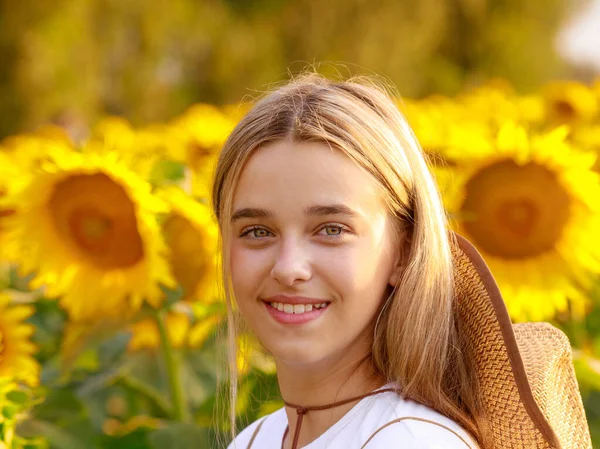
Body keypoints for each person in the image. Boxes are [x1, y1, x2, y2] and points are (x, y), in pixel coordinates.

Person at [211, 74, 591, 449]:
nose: (289, 268)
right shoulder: (257, 439)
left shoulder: (411, 441)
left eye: (331, 230)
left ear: (404, 253)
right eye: (257, 231)